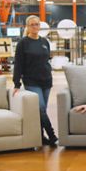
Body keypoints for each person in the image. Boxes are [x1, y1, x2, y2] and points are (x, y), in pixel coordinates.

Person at [12, 15, 57, 146]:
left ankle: (41, 137)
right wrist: (16, 83)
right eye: (32, 25)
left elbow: (46, 60)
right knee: (41, 108)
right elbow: (18, 64)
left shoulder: (44, 42)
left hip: (46, 81)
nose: (35, 27)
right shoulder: (23, 43)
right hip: (32, 81)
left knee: (41, 111)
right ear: (27, 27)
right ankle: (52, 136)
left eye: (37, 24)